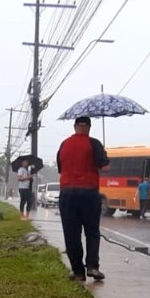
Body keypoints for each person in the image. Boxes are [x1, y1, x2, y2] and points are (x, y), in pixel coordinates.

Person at [56, 116, 110, 281]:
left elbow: (60, 168)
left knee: (71, 233)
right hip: (89, 193)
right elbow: (105, 167)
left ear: (75, 127)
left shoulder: (64, 144)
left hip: (67, 193)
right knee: (92, 232)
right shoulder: (94, 143)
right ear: (89, 127)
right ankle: (92, 266)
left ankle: (78, 271)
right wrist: (102, 155)